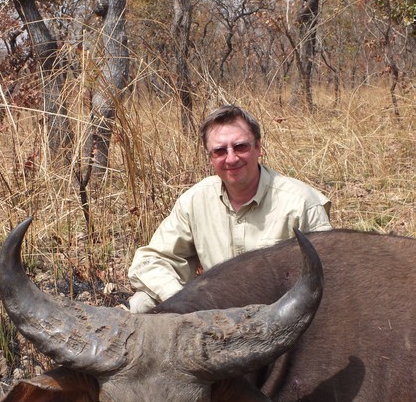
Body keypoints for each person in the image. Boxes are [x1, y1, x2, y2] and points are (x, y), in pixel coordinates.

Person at [128, 104, 332, 313]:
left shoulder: (302, 201)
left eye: (241, 146)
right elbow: (151, 260)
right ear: (210, 158)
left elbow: (331, 273)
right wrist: (182, 301)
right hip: (213, 314)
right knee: (141, 304)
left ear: (259, 148)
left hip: (279, 314)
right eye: (220, 151)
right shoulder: (195, 200)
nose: (232, 158)